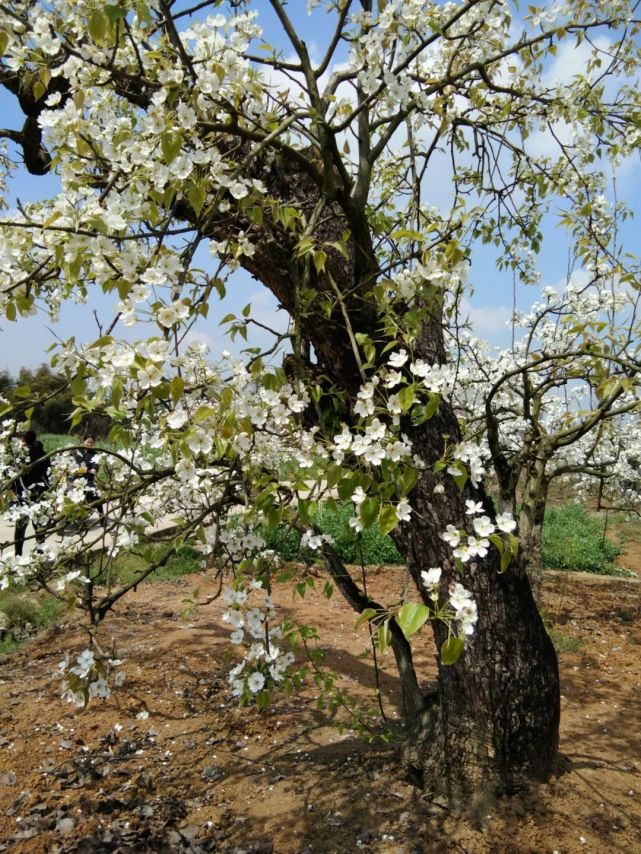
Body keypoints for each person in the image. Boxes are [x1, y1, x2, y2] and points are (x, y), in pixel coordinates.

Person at [14, 429, 50, 556]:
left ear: (23, 440)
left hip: (22, 495)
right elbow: (47, 473)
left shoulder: (19, 456)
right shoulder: (44, 454)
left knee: (20, 526)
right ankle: (40, 552)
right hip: (40, 493)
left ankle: (18, 555)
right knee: (39, 525)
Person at [72, 434, 105, 524]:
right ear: (84, 441)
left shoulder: (94, 454)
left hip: (88, 479)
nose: (90, 444)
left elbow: (95, 466)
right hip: (75, 478)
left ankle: (102, 518)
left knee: (96, 496)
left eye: (92, 443)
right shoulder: (76, 452)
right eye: (88, 442)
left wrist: (94, 469)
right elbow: (72, 464)